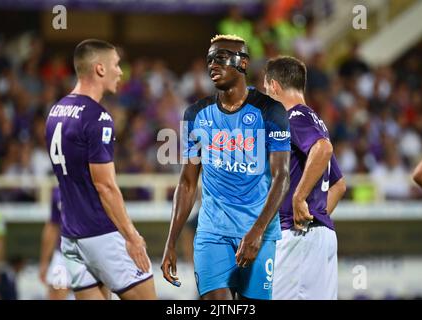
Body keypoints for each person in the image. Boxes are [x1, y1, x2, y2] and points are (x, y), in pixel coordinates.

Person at [161, 34, 291, 300]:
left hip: (258, 232)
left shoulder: (270, 111)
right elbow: (187, 183)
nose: (212, 65)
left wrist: (257, 232)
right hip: (212, 233)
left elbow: (282, 177)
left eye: (221, 58)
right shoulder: (196, 114)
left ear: (243, 63)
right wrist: (170, 241)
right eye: (210, 59)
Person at [45, 39, 156, 300]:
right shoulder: (97, 117)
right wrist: (132, 236)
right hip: (100, 233)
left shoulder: (55, 111)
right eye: (116, 65)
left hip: (71, 238)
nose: (120, 71)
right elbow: (105, 186)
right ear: (100, 69)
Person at [264, 56, 346, 300]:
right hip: (319, 237)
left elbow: (323, 149)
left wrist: (299, 199)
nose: (265, 93)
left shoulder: (294, 118)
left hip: (296, 239)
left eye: (265, 87)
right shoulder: (315, 120)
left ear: (275, 86)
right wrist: (316, 217)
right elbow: (339, 185)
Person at [39, 187, 72, 300]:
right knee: (55, 293)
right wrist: (44, 262)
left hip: (88, 253)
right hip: (63, 254)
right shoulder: (58, 192)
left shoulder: (92, 186)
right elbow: (53, 226)